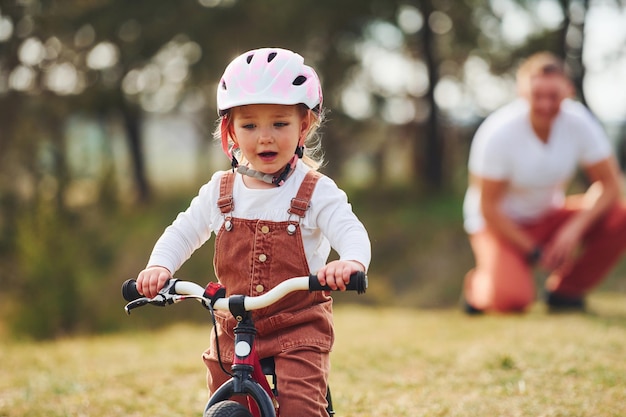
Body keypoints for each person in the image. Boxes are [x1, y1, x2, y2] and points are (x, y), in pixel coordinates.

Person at [134, 47, 370, 416]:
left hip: (298, 326)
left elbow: (350, 230)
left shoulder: (314, 191)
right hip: (233, 323)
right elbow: (184, 230)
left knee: (300, 408)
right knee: (228, 402)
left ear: (303, 125)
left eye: (279, 124)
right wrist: (160, 267)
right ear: (230, 130)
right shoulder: (221, 190)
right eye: (249, 125)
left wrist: (350, 262)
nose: (265, 138)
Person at [462, 51, 626, 314]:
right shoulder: (498, 133)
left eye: (554, 97)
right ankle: (479, 284)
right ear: (522, 92)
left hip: (547, 215)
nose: (546, 105)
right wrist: (535, 252)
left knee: (620, 216)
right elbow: (488, 208)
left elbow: (611, 185)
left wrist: (573, 229)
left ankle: (566, 292)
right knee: (512, 301)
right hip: (498, 225)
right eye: (538, 96)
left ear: (568, 91)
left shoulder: (579, 122)